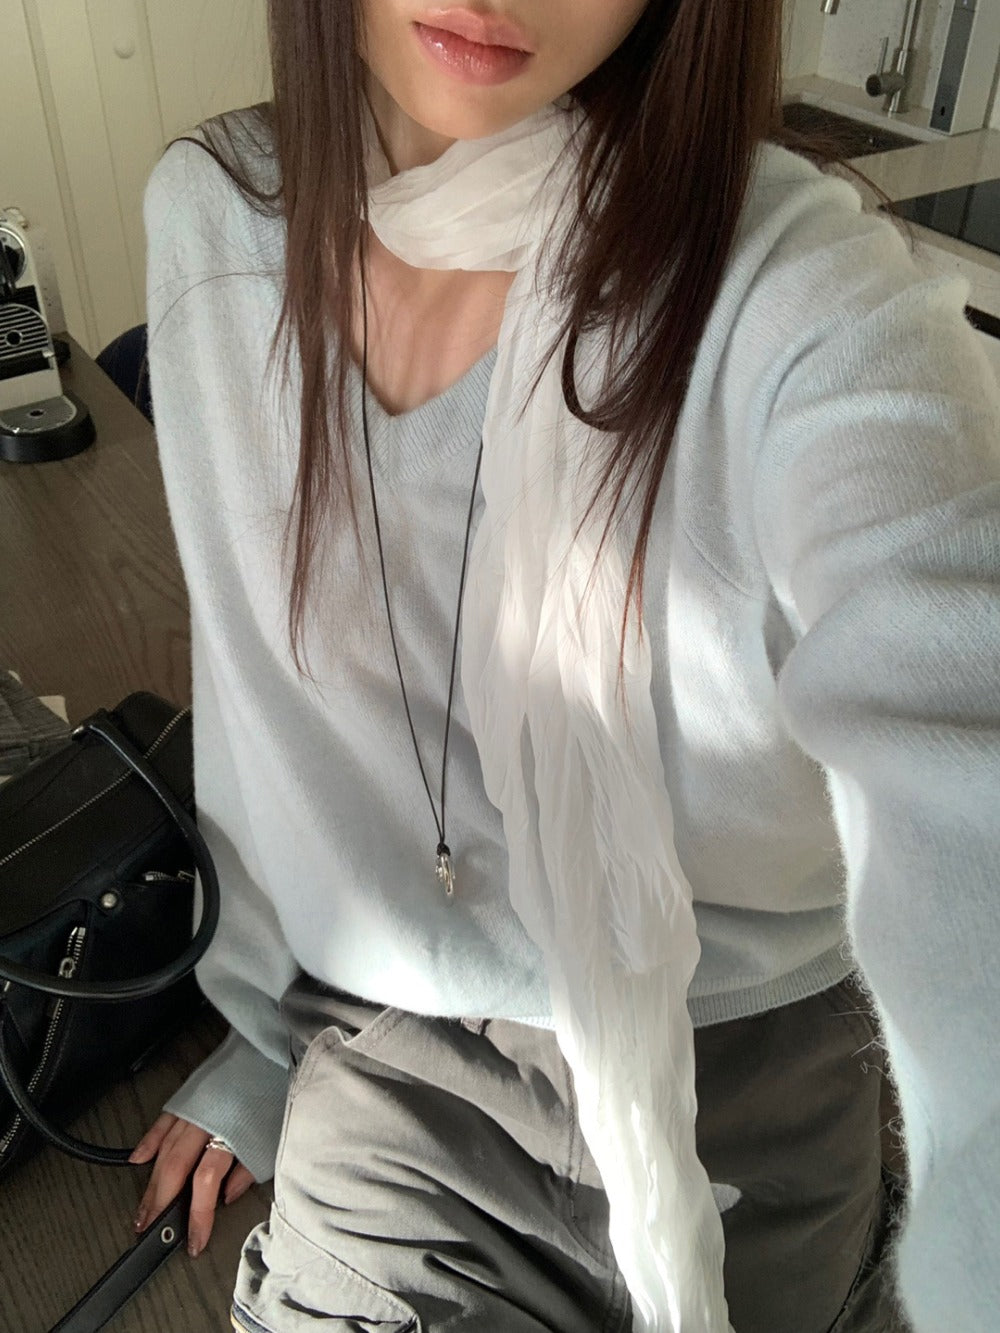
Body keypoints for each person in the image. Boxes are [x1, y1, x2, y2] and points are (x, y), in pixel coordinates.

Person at [130, 1, 1000, 1330]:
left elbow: (956, 716)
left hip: (752, 1066)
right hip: (401, 1059)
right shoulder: (217, 223)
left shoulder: (802, 291)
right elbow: (260, 713)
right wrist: (260, 1030)